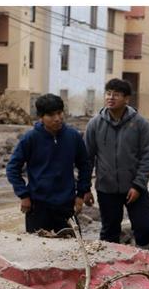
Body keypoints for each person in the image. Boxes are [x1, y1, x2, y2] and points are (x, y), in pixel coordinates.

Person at [6, 93, 92, 235]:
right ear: (41, 116)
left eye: (59, 113)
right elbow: (12, 168)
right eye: (51, 115)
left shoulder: (73, 136)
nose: (57, 119)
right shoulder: (30, 138)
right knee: (39, 251)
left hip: (66, 205)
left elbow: (85, 165)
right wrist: (24, 195)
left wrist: (81, 194)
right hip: (38, 206)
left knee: (72, 250)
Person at [85, 78, 149, 249]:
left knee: (145, 227)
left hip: (134, 188)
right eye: (108, 94)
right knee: (109, 232)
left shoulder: (140, 124)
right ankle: (110, 268)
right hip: (106, 188)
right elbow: (87, 158)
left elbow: (147, 157)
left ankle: (144, 262)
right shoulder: (95, 124)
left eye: (116, 95)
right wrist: (84, 188)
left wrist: (138, 185)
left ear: (126, 99)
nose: (110, 98)